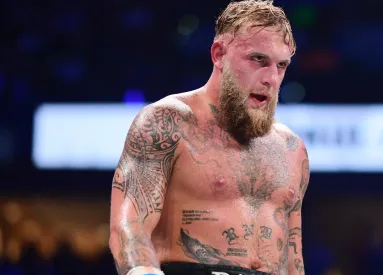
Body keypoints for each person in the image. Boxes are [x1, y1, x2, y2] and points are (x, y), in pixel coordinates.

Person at [109, 1, 310, 274]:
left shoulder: (292, 149)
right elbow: (129, 227)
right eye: (258, 60)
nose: (271, 78)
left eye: (281, 65)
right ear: (219, 54)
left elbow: (292, 259)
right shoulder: (168, 122)